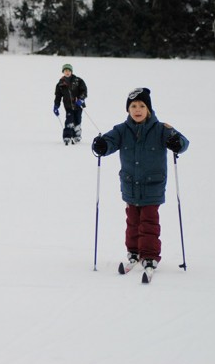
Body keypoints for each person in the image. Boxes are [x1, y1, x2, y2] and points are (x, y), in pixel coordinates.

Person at [91, 87, 189, 274]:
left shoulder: (161, 129)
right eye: (133, 106)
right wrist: (102, 145)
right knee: (133, 221)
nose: (137, 110)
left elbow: (183, 142)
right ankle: (134, 252)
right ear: (128, 110)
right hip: (130, 185)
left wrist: (178, 143)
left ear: (149, 109)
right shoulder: (121, 130)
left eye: (142, 106)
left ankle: (150, 255)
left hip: (153, 186)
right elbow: (110, 142)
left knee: (149, 222)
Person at [53, 63, 88, 145]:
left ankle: (77, 135)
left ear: (71, 72)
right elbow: (58, 96)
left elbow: (84, 91)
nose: (67, 72)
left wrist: (81, 99)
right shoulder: (60, 84)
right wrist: (56, 106)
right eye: (65, 71)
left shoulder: (78, 81)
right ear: (63, 72)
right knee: (69, 120)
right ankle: (67, 136)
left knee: (77, 120)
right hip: (68, 106)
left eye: (69, 70)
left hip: (78, 105)